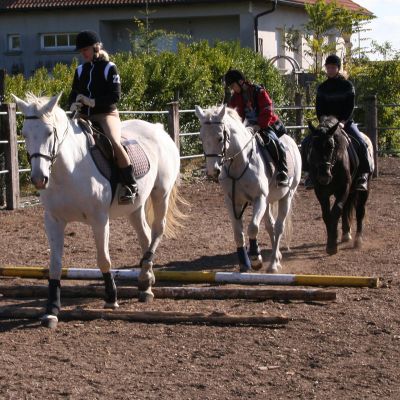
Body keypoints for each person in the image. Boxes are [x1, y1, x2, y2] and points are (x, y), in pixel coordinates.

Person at [68, 30, 138, 203]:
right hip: (84, 115)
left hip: (106, 114)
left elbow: (115, 96)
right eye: (81, 51)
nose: (83, 53)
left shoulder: (109, 68)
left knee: (114, 143)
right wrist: (72, 104)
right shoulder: (79, 70)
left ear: (96, 48)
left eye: (86, 50)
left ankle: (130, 184)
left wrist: (92, 102)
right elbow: (73, 93)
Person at [302, 54, 372, 191]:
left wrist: (343, 122)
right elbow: (319, 108)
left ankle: (363, 174)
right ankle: (309, 174)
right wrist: (323, 120)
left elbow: (350, 107)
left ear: (338, 68)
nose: (330, 70)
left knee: (361, 142)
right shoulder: (322, 87)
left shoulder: (347, 86)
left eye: (333, 67)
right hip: (326, 124)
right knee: (306, 142)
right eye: (328, 67)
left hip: (344, 122)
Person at [224, 69, 289, 186]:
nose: (232, 89)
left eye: (233, 85)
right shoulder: (234, 98)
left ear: (241, 81)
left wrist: (259, 125)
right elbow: (232, 115)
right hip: (246, 127)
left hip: (264, 124)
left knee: (274, 142)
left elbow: (267, 109)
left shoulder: (258, 91)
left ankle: (282, 171)